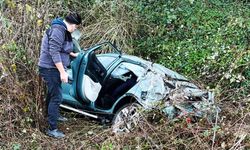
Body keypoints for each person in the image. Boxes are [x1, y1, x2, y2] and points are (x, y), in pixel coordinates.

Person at [38, 12, 82, 138]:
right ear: (73, 24)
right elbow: (54, 51)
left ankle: (52, 114)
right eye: (76, 27)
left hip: (53, 68)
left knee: (52, 93)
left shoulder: (63, 30)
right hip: (49, 68)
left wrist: (73, 55)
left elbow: (62, 48)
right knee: (57, 97)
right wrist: (62, 72)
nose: (75, 29)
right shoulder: (58, 30)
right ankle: (52, 129)